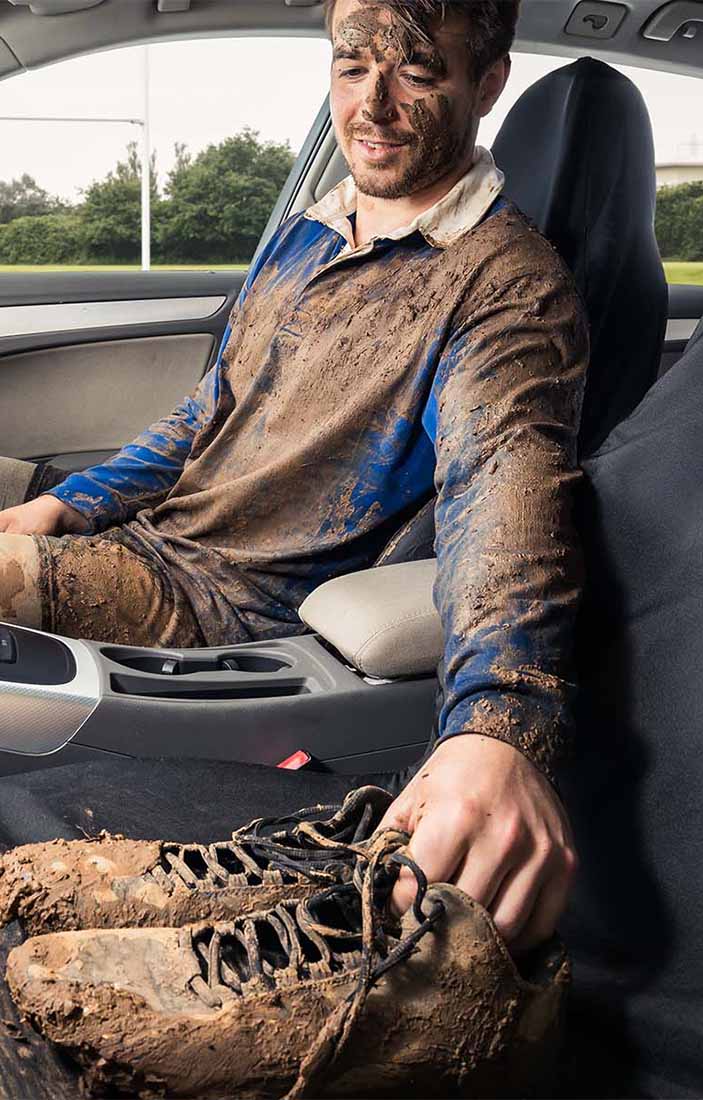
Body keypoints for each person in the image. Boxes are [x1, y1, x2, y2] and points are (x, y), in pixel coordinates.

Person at [0, 0, 586, 954]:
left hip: (216, 602)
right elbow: (208, 414)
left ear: (487, 84)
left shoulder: (506, 284)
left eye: (416, 72)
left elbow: (504, 491)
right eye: (353, 68)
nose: (375, 103)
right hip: (147, 543)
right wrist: (60, 505)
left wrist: (500, 725)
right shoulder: (312, 233)